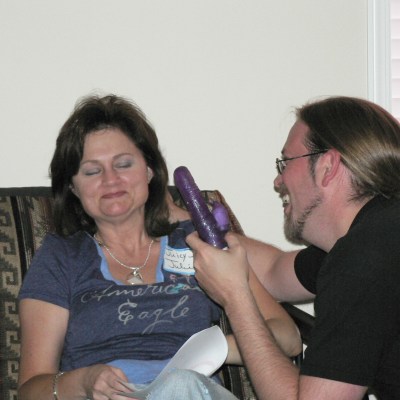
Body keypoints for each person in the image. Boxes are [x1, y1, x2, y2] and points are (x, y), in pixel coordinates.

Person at [17, 94, 302, 400]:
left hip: (194, 392)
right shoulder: (61, 256)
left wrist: (214, 350)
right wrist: (83, 381)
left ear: (149, 171)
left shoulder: (196, 244)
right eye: (92, 171)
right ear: (73, 186)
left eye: (123, 164)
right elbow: (30, 390)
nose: (111, 180)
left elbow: (288, 337)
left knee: (182, 384)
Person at [187, 96, 400, 400]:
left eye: (285, 162)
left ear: (328, 165)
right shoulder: (375, 233)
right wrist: (186, 219)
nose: (278, 180)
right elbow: (273, 271)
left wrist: (235, 297)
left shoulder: (362, 260)